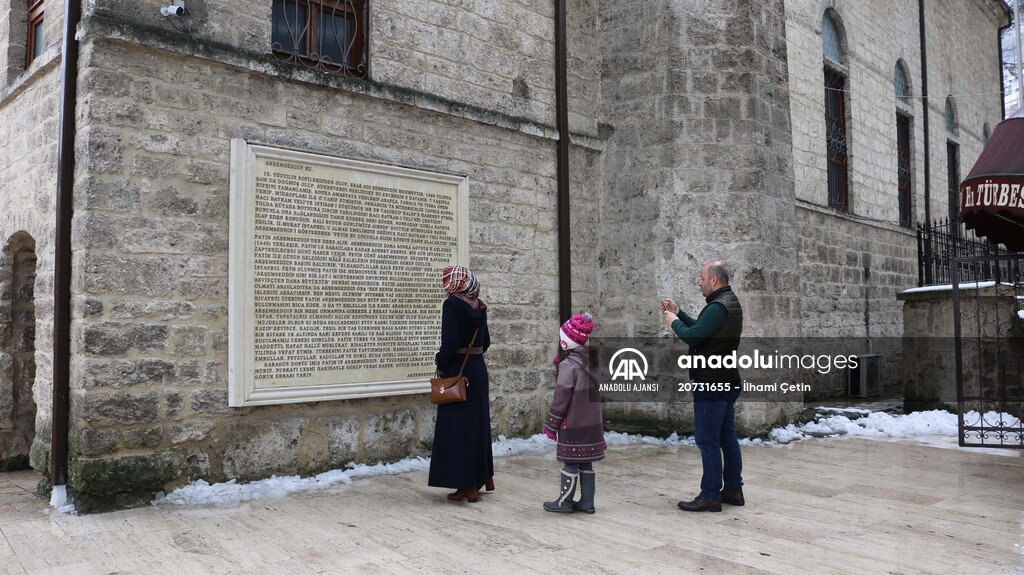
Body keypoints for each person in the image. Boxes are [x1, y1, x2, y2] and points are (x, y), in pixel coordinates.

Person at [661, 260, 744, 513]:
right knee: (727, 438)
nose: (699, 282)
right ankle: (733, 489)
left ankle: (710, 495)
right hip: (726, 380)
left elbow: (694, 336)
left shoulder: (718, 306)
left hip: (712, 382)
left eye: (701, 278)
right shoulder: (727, 302)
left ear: (714, 280)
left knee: (708, 441)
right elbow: (702, 329)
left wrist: (673, 322)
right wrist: (679, 312)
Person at [428, 265, 494, 502]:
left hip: (458, 372)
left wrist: (442, 363)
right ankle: (477, 480)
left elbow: (450, 342)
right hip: (477, 371)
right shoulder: (479, 305)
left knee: (456, 430)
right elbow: (486, 342)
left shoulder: (452, 304)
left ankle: (465, 484)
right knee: (476, 427)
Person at [542, 312, 605, 514]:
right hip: (592, 424)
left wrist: (551, 425)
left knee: (570, 462)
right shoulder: (592, 362)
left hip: (573, 424)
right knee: (586, 462)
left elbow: (561, 399)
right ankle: (587, 502)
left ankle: (565, 502)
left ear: (566, 342)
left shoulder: (569, 366)